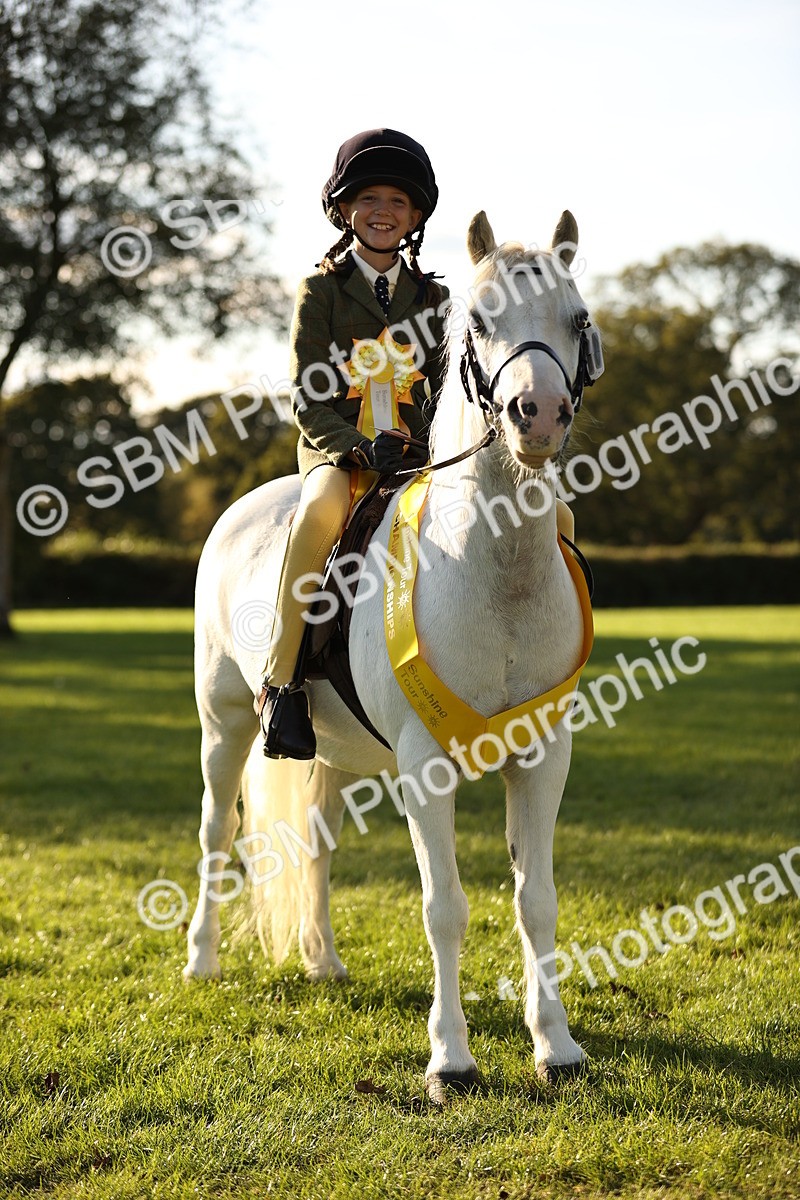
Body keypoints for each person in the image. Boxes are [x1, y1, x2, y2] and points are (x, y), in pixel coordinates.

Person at [257, 128, 450, 761]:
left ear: (415, 215)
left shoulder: (437, 300)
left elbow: (449, 393)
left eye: (398, 200)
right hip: (339, 452)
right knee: (318, 513)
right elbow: (308, 395)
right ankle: (282, 681)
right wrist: (358, 450)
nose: (383, 211)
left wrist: (418, 444)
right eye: (369, 198)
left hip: (419, 456)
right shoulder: (319, 292)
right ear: (345, 209)